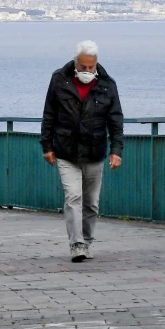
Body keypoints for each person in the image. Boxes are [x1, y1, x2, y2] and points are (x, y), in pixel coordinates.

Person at [40, 40, 124, 263]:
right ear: (76, 63)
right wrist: (46, 146)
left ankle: (87, 241)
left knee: (91, 203)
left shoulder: (107, 85)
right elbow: (49, 113)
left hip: (95, 151)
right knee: (73, 197)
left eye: (92, 67)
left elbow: (115, 120)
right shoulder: (59, 80)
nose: (88, 71)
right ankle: (76, 245)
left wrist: (117, 150)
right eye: (84, 67)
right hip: (66, 151)